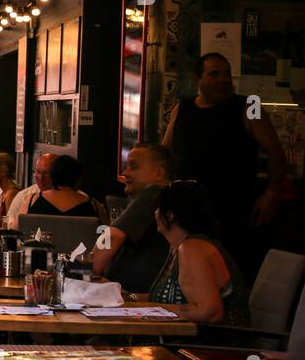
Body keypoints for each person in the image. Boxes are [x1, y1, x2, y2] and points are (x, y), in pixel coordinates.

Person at [162, 52, 288, 283]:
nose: (223, 79)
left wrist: (271, 193)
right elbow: (165, 152)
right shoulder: (182, 108)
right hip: (189, 210)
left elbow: (276, 152)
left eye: (227, 74)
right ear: (198, 78)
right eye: (214, 74)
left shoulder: (251, 105)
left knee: (232, 272)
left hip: (234, 207)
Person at [149, 180, 248, 325]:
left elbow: (210, 313)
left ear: (170, 215)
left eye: (157, 208)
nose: (154, 214)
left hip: (207, 344)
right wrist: (128, 298)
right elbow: (155, 299)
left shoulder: (193, 249)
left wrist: (150, 310)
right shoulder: (181, 247)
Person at [92, 143, 175, 292]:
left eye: (133, 166)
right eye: (126, 167)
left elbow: (112, 236)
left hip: (134, 301)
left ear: (158, 173)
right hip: (135, 297)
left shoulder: (154, 192)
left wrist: (88, 276)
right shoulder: (164, 197)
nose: (126, 172)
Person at [28, 155, 98, 217]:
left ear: (52, 176)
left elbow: (17, 229)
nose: (41, 177)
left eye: (46, 173)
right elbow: (104, 229)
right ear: (78, 179)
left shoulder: (33, 200)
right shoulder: (93, 205)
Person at [5, 152, 56, 228]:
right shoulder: (24, 195)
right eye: (38, 172)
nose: (41, 178)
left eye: (46, 173)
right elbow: (10, 224)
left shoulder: (73, 198)